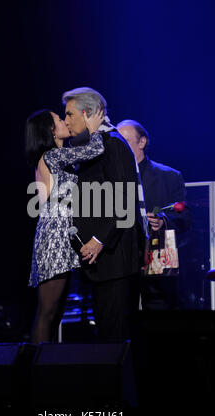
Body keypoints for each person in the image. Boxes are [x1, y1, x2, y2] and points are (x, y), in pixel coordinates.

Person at [62, 87, 147, 342]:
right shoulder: (96, 144)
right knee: (106, 335)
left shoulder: (113, 144)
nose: (66, 121)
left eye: (69, 114)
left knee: (114, 337)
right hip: (101, 263)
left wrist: (99, 240)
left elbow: (124, 199)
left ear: (87, 113)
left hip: (114, 260)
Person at [26, 109, 105, 343]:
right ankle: (35, 369)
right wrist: (94, 127)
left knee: (55, 313)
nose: (64, 121)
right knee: (47, 313)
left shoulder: (58, 158)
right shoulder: (52, 156)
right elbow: (94, 149)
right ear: (51, 130)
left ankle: (44, 364)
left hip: (62, 237)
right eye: (59, 120)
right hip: (54, 239)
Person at [117, 119, 191, 310]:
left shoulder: (169, 176)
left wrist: (162, 221)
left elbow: (184, 218)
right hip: (122, 262)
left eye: (125, 143)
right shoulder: (111, 178)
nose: (120, 149)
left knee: (158, 316)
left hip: (157, 261)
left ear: (142, 142)